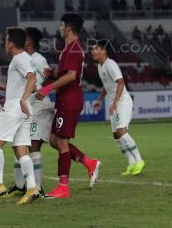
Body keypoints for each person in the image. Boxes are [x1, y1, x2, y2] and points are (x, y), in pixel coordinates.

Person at [35, 13, 101, 199]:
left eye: (62, 25)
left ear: (68, 28)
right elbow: (67, 75)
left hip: (70, 100)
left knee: (61, 142)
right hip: (66, 98)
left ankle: (63, 187)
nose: (60, 28)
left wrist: (47, 87)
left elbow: (71, 76)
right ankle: (89, 163)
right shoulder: (69, 49)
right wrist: (52, 75)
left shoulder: (73, 48)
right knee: (55, 140)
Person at [0, 27, 40, 205]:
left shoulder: (18, 59)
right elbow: (33, 86)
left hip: (15, 107)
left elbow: (32, 79)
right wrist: (6, 88)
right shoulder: (26, 58)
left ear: (11, 44)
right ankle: (32, 188)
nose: (4, 44)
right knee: (20, 149)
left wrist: (20, 99)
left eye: (6, 41)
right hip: (23, 109)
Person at [8, 27, 55, 196]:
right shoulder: (23, 59)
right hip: (27, 107)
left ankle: (38, 188)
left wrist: (43, 92)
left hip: (39, 108)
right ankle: (21, 185)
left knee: (34, 147)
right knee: (19, 145)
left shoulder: (39, 59)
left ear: (29, 41)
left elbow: (51, 79)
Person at [91, 40, 145, 176]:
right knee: (116, 135)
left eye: (96, 48)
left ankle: (139, 160)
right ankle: (131, 164)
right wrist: (99, 100)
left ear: (104, 51)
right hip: (114, 103)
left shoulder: (111, 65)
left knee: (121, 131)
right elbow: (106, 85)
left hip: (122, 102)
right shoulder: (100, 66)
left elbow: (121, 82)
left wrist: (115, 101)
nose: (93, 51)